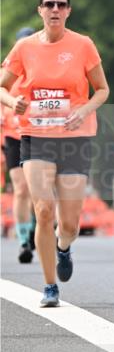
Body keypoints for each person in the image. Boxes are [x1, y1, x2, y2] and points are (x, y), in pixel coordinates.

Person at [0, 0, 110, 306]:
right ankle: (49, 286)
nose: (55, 10)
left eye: (61, 5)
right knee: (44, 210)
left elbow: (102, 90)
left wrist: (85, 109)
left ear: (68, 11)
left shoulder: (83, 45)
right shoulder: (24, 47)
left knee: (70, 223)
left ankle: (64, 247)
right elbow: (2, 86)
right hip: (36, 136)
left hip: (74, 138)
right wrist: (13, 102)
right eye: (49, 4)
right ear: (40, 10)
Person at [1, 27, 37, 262]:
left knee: (38, 189)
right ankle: (24, 240)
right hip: (13, 136)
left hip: (38, 134)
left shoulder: (41, 70)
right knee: (21, 188)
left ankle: (37, 227)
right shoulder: (6, 71)